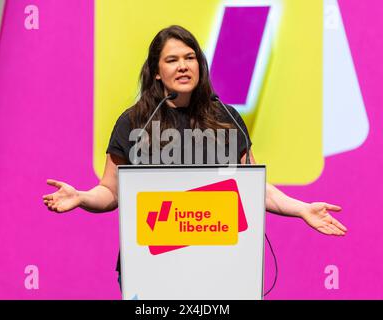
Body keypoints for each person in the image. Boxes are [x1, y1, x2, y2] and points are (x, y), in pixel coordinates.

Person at [43, 25, 347, 289]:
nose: (183, 66)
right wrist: (82, 197)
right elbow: (110, 190)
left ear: (200, 65)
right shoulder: (135, 122)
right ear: (157, 72)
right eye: (172, 60)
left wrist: (302, 208)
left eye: (190, 58)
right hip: (152, 265)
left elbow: (253, 188)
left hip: (220, 265)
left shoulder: (226, 117)